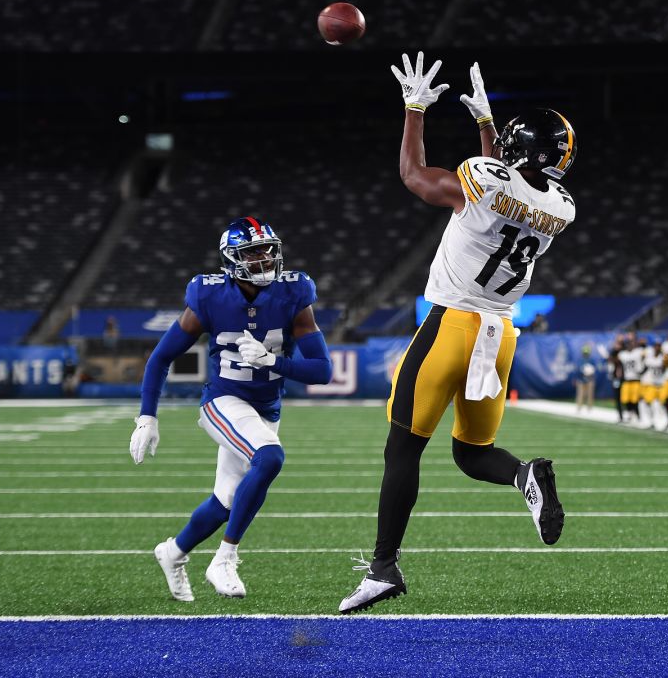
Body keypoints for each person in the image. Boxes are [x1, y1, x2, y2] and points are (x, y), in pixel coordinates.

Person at [340, 53, 575, 614]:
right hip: (500, 334)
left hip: (450, 324)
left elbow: (415, 176)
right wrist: (488, 129)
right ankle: (526, 476)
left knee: (403, 448)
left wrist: (415, 110)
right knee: (474, 454)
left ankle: (383, 569)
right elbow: (507, 187)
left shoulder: (487, 181)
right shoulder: (561, 205)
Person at [130, 217, 333, 601]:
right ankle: (224, 558)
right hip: (222, 401)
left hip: (266, 408)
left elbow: (322, 371)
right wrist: (147, 416)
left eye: (268, 250)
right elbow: (160, 358)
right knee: (270, 457)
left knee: (227, 501)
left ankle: (172, 553)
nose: (265, 259)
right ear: (231, 260)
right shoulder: (208, 296)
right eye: (253, 253)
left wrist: (272, 362)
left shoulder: (294, 292)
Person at [574, 344, 596, 413]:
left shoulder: (591, 360)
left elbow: (593, 369)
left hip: (590, 379)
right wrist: (583, 373)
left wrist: (590, 373)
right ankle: (579, 407)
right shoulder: (580, 360)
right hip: (581, 379)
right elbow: (578, 370)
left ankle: (589, 408)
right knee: (580, 394)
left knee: (590, 394)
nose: (586, 354)